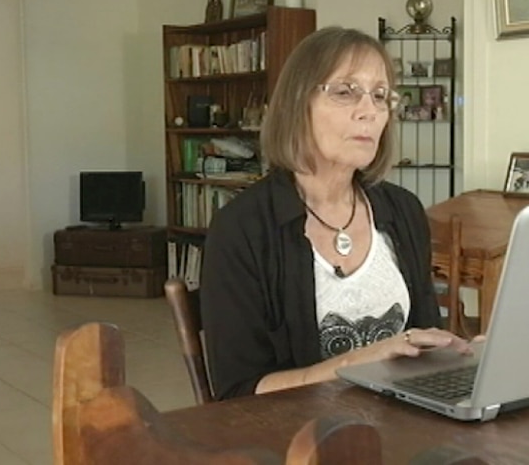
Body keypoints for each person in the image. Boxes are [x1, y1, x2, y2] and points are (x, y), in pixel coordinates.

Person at [200, 26, 473, 401]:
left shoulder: (403, 211)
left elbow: (423, 344)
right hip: (299, 443)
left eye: (380, 96)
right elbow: (238, 393)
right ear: (297, 104)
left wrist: (468, 356)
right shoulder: (241, 229)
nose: (369, 112)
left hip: (404, 429)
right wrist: (358, 364)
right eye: (346, 92)